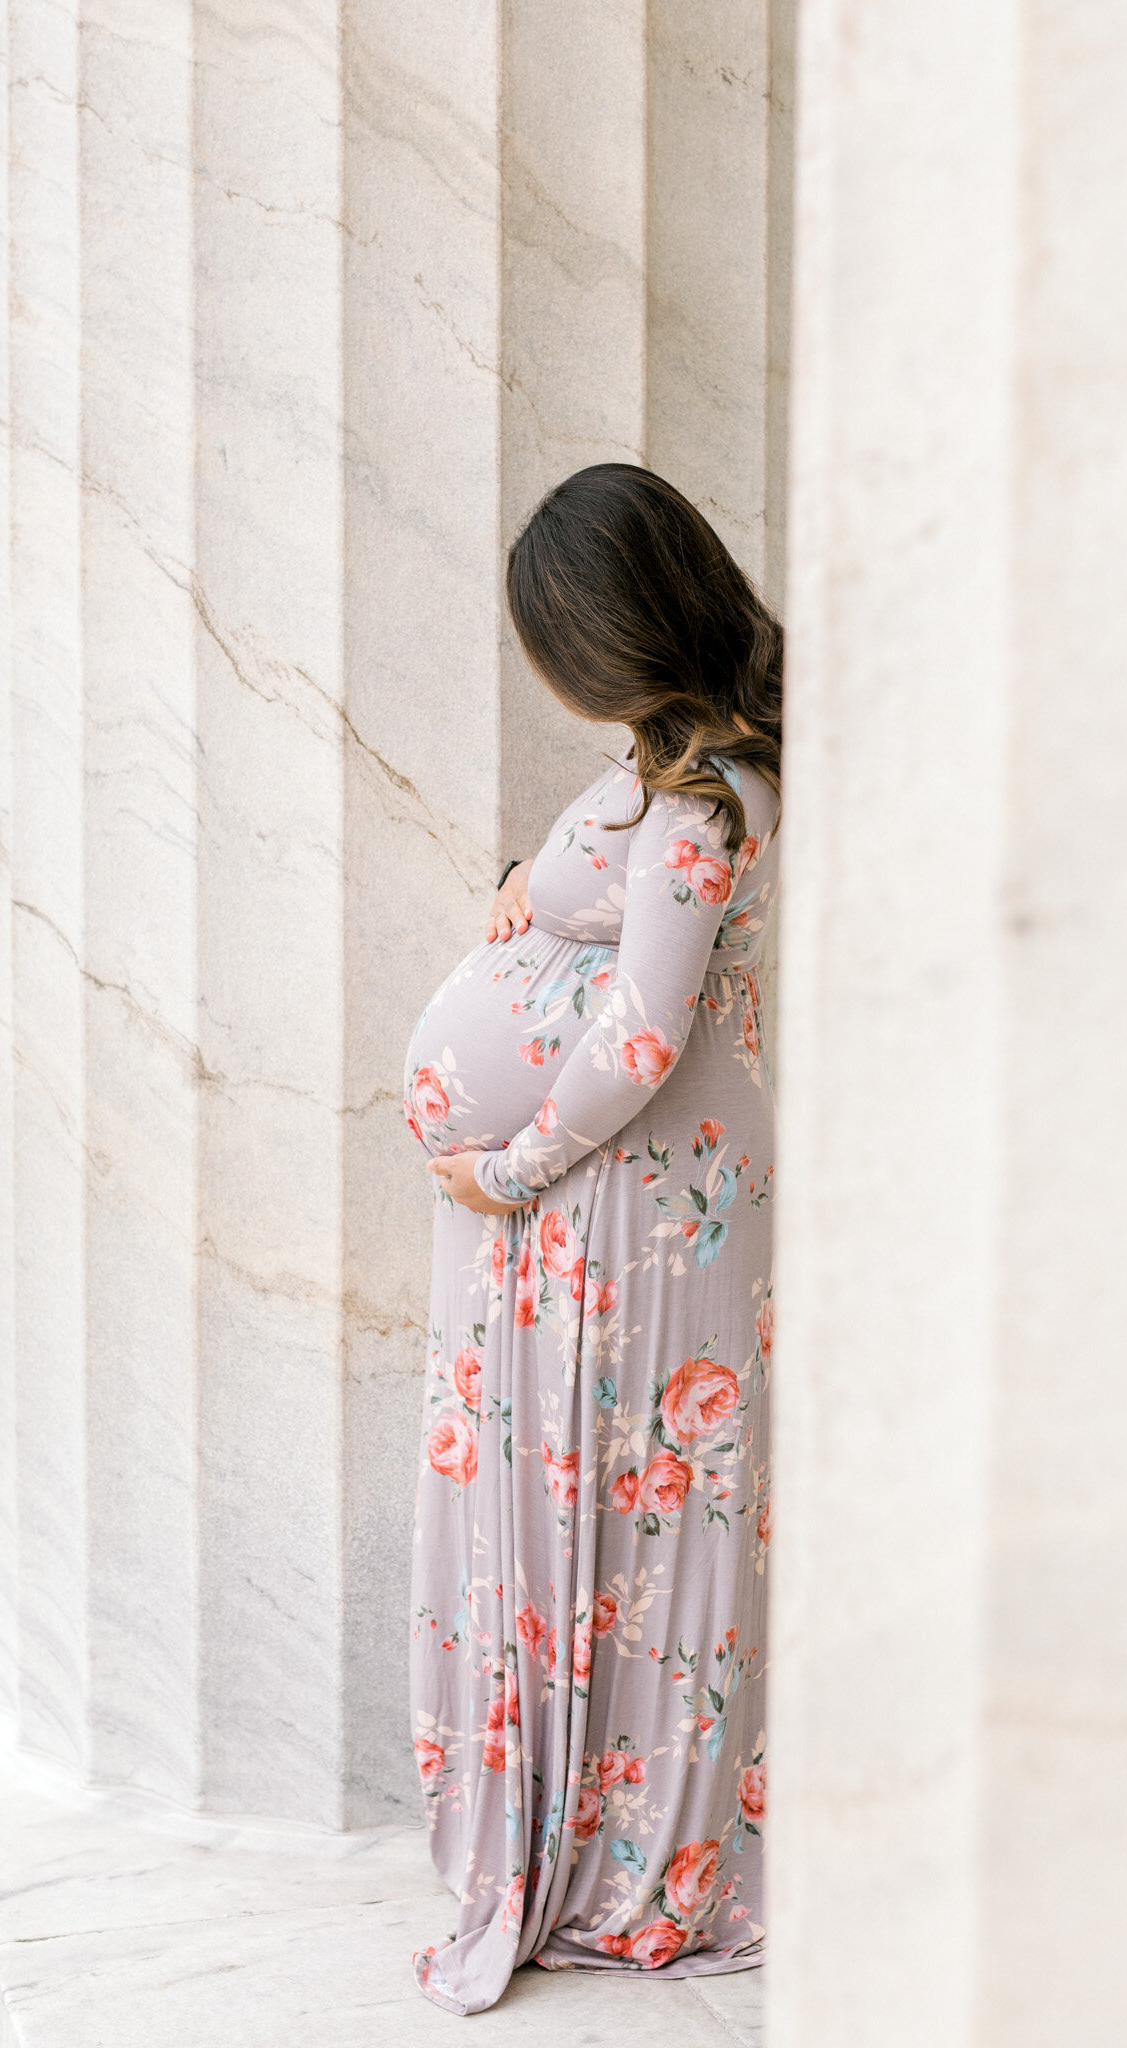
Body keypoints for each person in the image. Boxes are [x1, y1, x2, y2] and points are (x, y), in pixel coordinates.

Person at [403, 463, 781, 2015]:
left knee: (640, 1516)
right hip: (599, 1194)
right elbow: (600, 924)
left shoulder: (702, 799)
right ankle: (581, 1816)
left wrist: (513, 1166)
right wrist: (523, 885)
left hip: (628, 1200)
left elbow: (641, 1031)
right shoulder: (657, 766)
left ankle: (636, 1858)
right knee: (611, 1510)